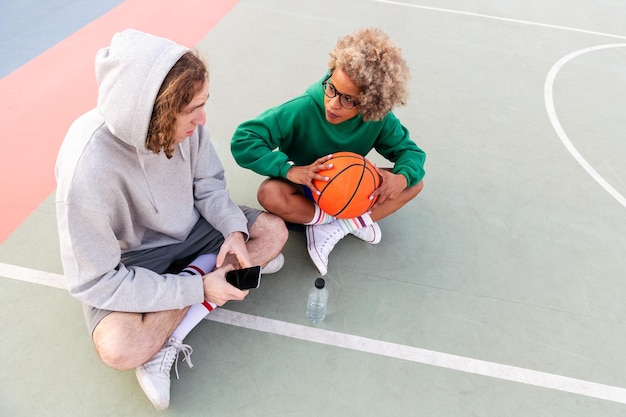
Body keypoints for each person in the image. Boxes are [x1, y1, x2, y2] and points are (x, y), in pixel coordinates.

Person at [55, 29, 288, 410]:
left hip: (194, 229)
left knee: (272, 231)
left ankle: (182, 303)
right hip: (134, 259)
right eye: (192, 108)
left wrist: (231, 229)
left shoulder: (188, 128)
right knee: (120, 347)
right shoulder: (87, 169)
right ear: (156, 111)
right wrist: (197, 290)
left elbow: (208, 184)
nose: (202, 118)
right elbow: (95, 281)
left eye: (204, 103)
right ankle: (199, 283)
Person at [231, 28, 425, 276]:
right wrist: (288, 170)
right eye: (331, 89)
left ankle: (340, 224)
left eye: (348, 100)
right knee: (269, 193)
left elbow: (411, 153)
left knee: (413, 184)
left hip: (347, 187)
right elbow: (244, 139)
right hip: (305, 187)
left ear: (369, 105)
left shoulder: (379, 120)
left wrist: (401, 178)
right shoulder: (301, 109)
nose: (333, 103)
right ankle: (332, 222)